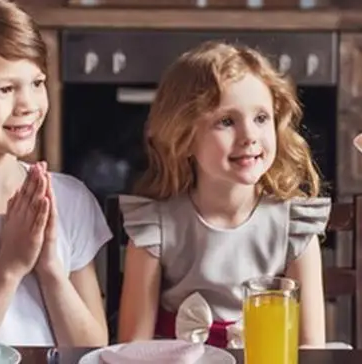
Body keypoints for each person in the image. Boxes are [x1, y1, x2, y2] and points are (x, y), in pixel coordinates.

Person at [118, 40, 331, 348]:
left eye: (261, 118)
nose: (249, 136)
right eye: (226, 122)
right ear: (185, 137)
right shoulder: (155, 227)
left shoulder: (295, 227)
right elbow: (132, 350)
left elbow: (310, 351)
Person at [0, 0, 111, 346]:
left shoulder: (67, 199)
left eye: (37, 83)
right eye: (4, 88)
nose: (28, 104)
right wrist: (9, 269)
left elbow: (93, 351)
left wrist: (50, 269)